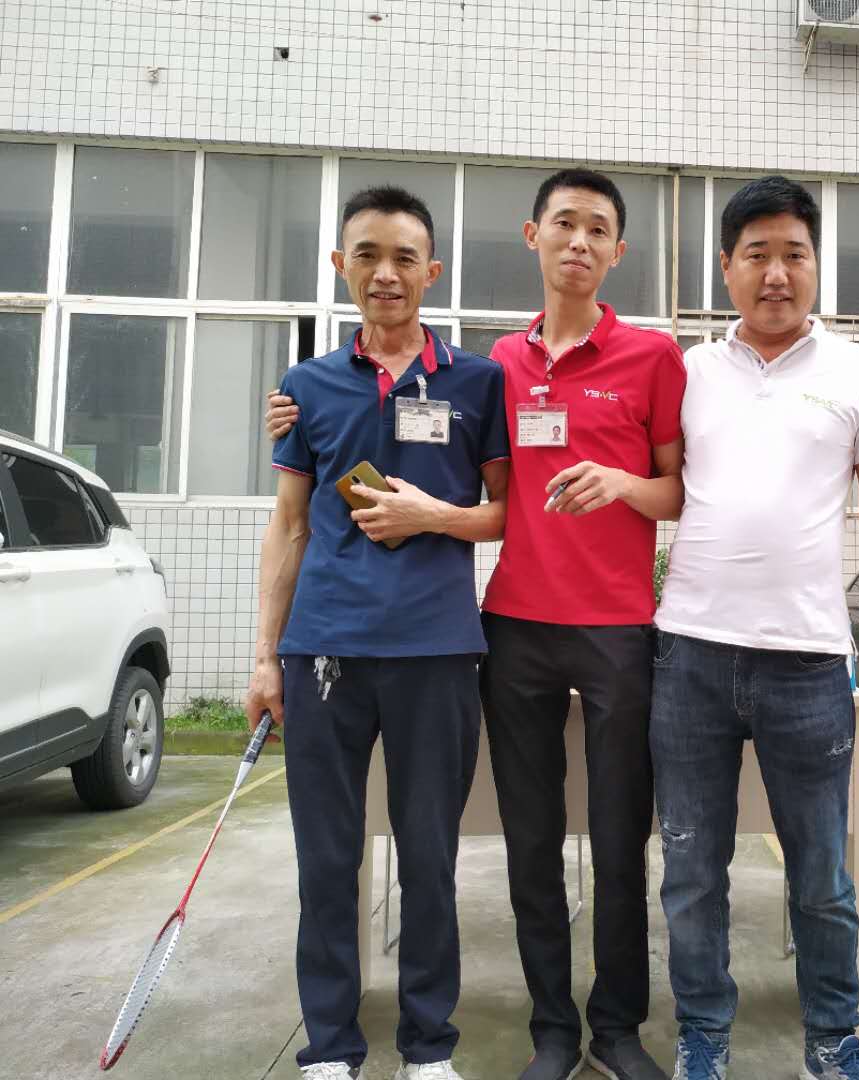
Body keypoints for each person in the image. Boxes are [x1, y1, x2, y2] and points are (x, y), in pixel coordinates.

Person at [266, 169, 685, 1080]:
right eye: (564, 223)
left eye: (598, 229)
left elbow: (673, 490)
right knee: (520, 847)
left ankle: (607, 1029)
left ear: (619, 250)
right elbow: (306, 502)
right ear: (533, 236)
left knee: (615, 843)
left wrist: (618, 485)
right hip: (501, 631)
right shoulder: (493, 366)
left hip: (592, 631)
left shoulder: (619, 361)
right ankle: (547, 1032)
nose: (579, 242)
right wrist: (292, 409)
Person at [651, 176, 859, 1080]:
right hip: (691, 654)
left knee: (821, 875)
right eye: (757, 255)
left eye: (794, 254)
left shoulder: (858, 371)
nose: (776, 273)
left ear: (816, 264)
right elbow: (656, 483)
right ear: (727, 268)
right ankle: (704, 1035)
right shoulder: (689, 371)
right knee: (692, 871)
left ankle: (832, 1038)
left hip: (809, 662)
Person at [246, 185, 510, 1080]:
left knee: (429, 858)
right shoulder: (307, 387)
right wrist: (265, 659)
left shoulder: (477, 382)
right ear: (340, 266)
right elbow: (288, 526)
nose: (385, 274)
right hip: (323, 651)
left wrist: (433, 515)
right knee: (326, 859)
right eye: (367, 255)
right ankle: (330, 1047)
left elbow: (507, 514)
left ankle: (428, 1049)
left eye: (404, 257)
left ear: (432, 270)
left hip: (436, 651)